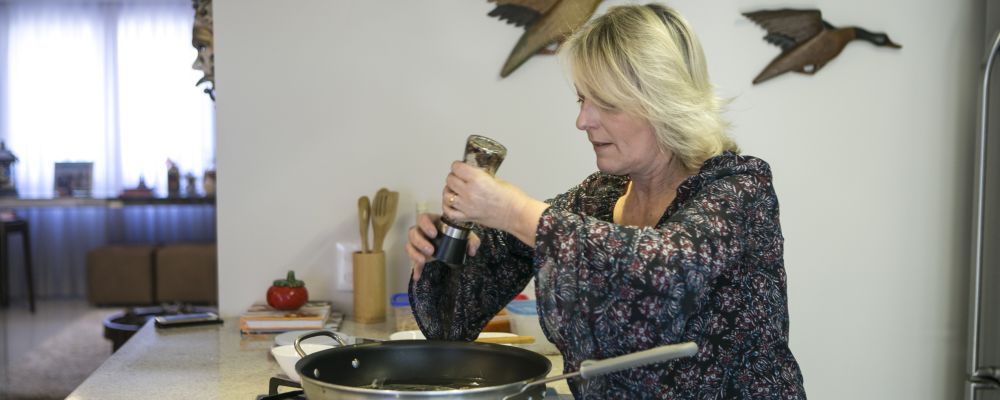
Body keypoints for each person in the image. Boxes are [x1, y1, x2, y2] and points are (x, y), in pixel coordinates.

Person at [406, 4, 806, 399]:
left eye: (607, 103)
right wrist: (444, 250)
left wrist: (514, 211)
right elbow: (451, 324)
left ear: (665, 103)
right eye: (582, 99)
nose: (583, 121)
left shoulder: (738, 190)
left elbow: (664, 270)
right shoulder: (597, 199)